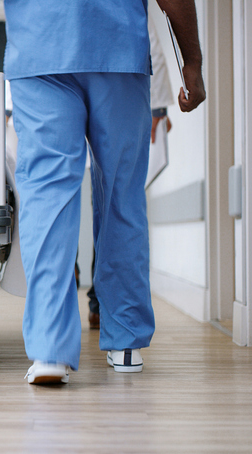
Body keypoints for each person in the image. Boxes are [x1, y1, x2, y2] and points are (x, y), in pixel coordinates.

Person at [0, 0, 205, 385]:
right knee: (122, 194)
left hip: (40, 49)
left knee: (47, 195)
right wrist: (192, 62)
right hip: (118, 49)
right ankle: (125, 343)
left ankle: (50, 351)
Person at [86, 13, 175, 330]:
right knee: (117, 204)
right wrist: (160, 105)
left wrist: (159, 107)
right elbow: (148, 29)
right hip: (118, 73)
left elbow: (147, 29)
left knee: (65, 200)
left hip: (64, 70)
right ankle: (116, 324)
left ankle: (60, 332)